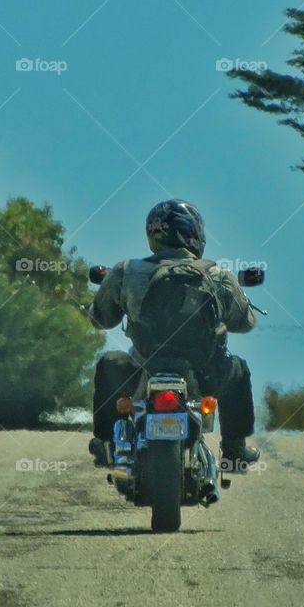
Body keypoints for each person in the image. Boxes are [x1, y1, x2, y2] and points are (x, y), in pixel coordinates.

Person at [87, 199, 261, 471]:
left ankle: (105, 443)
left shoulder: (126, 271)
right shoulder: (217, 274)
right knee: (239, 369)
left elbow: (102, 320)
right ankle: (234, 451)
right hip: (204, 370)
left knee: (108, 362)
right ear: (195, 233)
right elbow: (245, 323)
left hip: (144, 365)